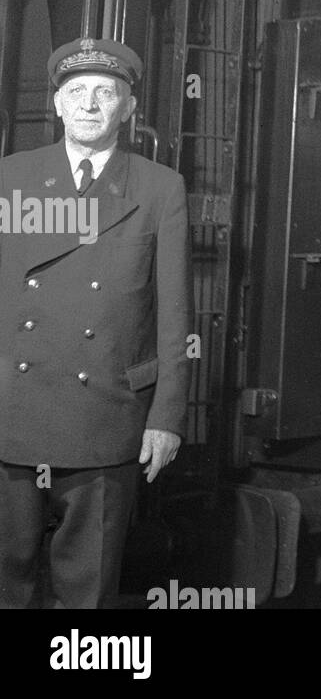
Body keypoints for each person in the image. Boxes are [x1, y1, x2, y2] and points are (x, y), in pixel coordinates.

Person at [0, 38, 192, 608]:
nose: (89, 104)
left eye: (106, 93)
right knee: (8, 582)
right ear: (56, 104)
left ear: (128, 109)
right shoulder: (11, 178)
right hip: (14, 410)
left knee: (88, 592)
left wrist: (167, 416)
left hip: (106, 416)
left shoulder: (159, 187)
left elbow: (175, 310)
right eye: (76, 92)